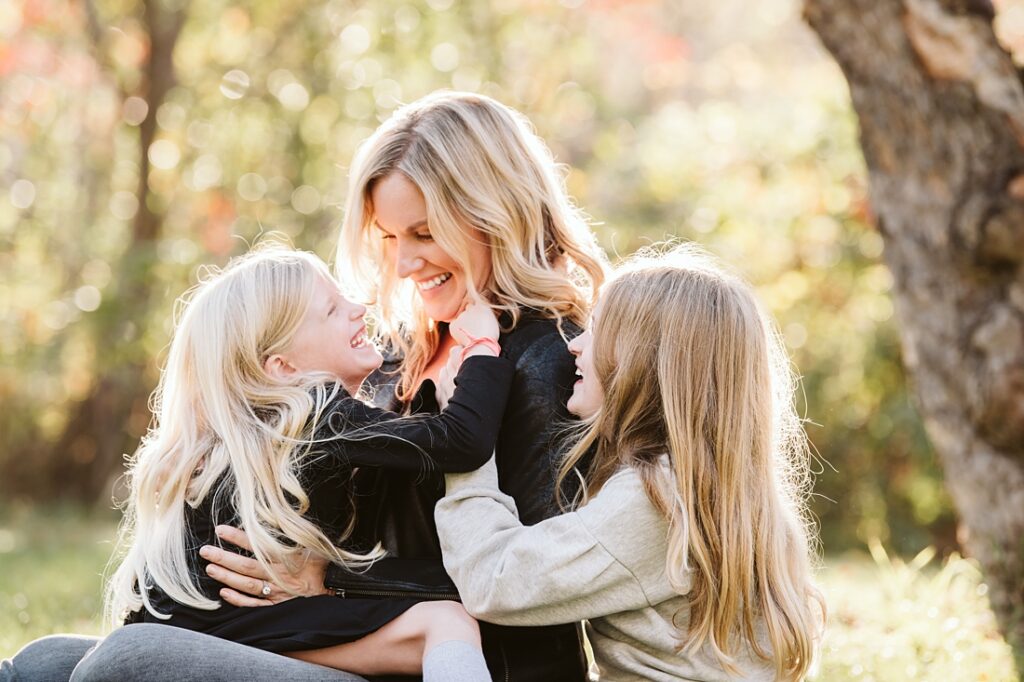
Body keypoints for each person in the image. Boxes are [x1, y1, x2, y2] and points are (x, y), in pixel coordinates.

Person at [2, 91, 607, 682]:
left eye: (424, 234)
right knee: (44, 662)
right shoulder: (395, 356)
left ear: (494, 217)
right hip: (335, 636)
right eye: (390, 238)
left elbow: (544, 579)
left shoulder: (551, 361)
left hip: (468, 661)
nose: (401, 265)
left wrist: (333, 581)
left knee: (128, 661)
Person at [106, 242, 514, 680]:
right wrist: (482, 348)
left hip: (200, 628)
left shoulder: (261, 435)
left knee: (433, 626)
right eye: (332, 311)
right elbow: (462, 441)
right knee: (445, 622)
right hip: (208, 633)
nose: (359, 309)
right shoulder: (317, 412)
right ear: (282, 367)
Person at [434, 245, 827, 680]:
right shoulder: (717, 489)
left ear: (646, 360)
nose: (575, 345)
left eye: (596, 329)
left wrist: (469, 429)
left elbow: (496, 582)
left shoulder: (652, 500)